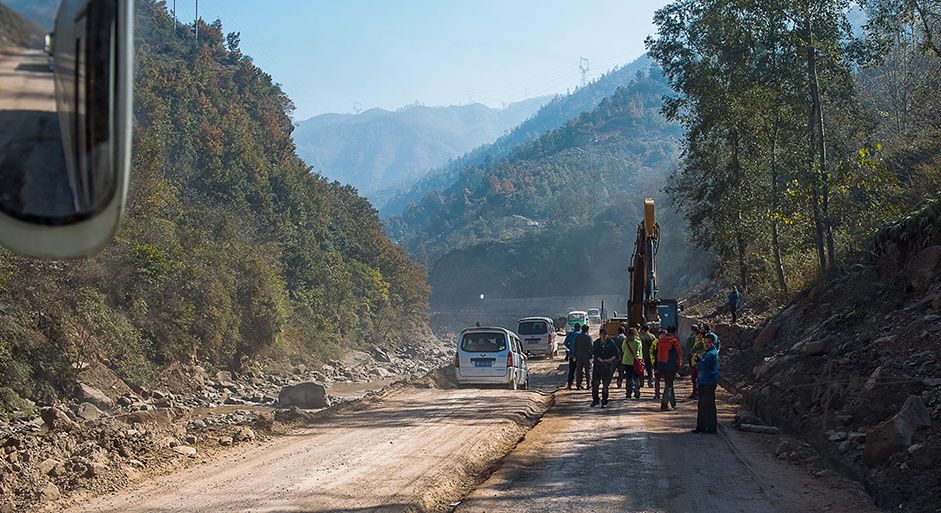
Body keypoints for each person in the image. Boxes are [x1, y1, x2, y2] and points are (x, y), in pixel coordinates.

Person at [693, 333, 719, 434]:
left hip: (707, 382)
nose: (706, 344)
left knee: (707, 406)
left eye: (709, 342)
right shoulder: (710, 352)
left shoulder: (711, 354)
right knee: (705, 405)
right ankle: (704, 427)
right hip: (706, 381)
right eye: (705, 342)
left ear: (713, 343)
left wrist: (697, 361)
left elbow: (700, 366)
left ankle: (708, 428)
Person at [654, 326, 683, 411]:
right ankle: (664, 404)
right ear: (675, 332)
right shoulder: (674, 341)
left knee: (668, 383)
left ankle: (673, 402)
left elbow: (656, 353)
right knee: (669, 385)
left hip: (660, 365)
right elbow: (678, 354)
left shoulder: (660, 341)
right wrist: (679, 365)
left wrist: (656, 366)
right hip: (670, 365)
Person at [590, 327, 620, 408]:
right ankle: (595, 400)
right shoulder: (596, 343)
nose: (603, 336)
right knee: (595, 384)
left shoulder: (611, 343)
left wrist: (609, 360)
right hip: (597, 367)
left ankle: (604, 401)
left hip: (607, 367)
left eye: (605, 335)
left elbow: (617, 354)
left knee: (605, 385)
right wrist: (598, 359)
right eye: (602, 335)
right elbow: (593, 353)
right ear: (599, 335)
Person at [621, 327, 643, 400]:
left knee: (628, 378)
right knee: (636, 378)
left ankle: (628, 393)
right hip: (636, 362)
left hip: (627, 362)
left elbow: (623, 350)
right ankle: (637, 392)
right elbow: (640, 351)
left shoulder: (625, 342)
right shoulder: (638, 342)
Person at [685, 325, 705, 399]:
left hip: (698, 362)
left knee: (696, 378)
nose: (698, 335)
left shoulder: (702, 342)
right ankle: (695, 392)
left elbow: (694, 349)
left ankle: (697, 392)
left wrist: (691, 352)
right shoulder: (697, 340)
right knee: (694, 378)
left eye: (700, 334)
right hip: (695, 361)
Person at [573, 323, 594, 390]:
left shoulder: (577, 337)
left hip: (579, 357)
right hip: (587, 357)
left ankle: (578, 385)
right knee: (588, 371)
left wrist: (574, 356)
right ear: (587, 330)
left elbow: (575, 347)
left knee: (579, 371)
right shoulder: (588, 337)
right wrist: (593, 355)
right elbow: (591, 347)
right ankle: (588, 385)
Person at [564, 323, 581, 389]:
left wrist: (570, 347)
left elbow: (565, 343)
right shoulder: (581, 335)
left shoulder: (571, 334)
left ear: (574, 327)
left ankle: (569, 384)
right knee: (579, 370)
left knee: (571, 370)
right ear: (580, 328)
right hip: (580, 355)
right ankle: (579, 384)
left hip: (572, 355)